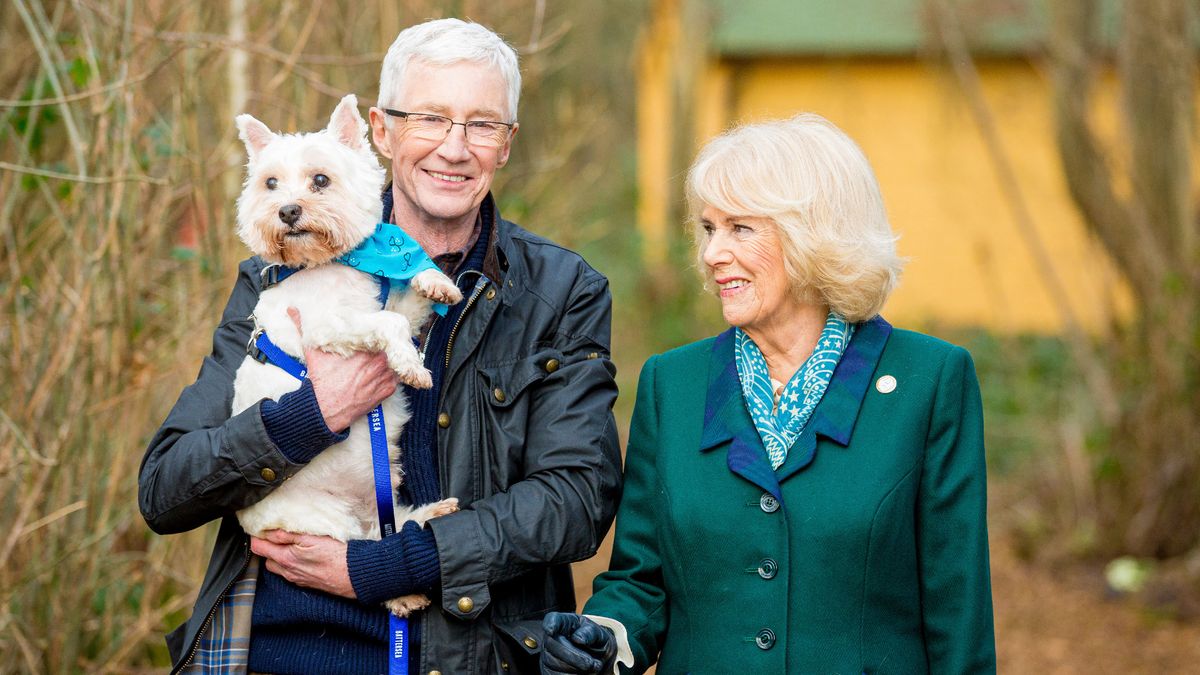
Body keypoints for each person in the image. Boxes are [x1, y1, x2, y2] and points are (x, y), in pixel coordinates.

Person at [139, 18, 622, 675]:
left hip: (462, 654)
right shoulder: (276, 274)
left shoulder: (560, 291)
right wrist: (310, 415)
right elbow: (166, 488)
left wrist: (380, 565)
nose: (454, 148)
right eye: (430, 117)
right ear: (381, 130)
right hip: (275, 649)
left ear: (506, 144)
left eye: (482, 124)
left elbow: (576, 498)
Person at [541, 114, 996, 674]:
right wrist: (604, 637)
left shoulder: (931, 381)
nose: (712, 254)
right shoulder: (672, 384)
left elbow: (958, 609)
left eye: (741, 228)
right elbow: (642, 579)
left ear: (814, 235)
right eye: (709, 229)